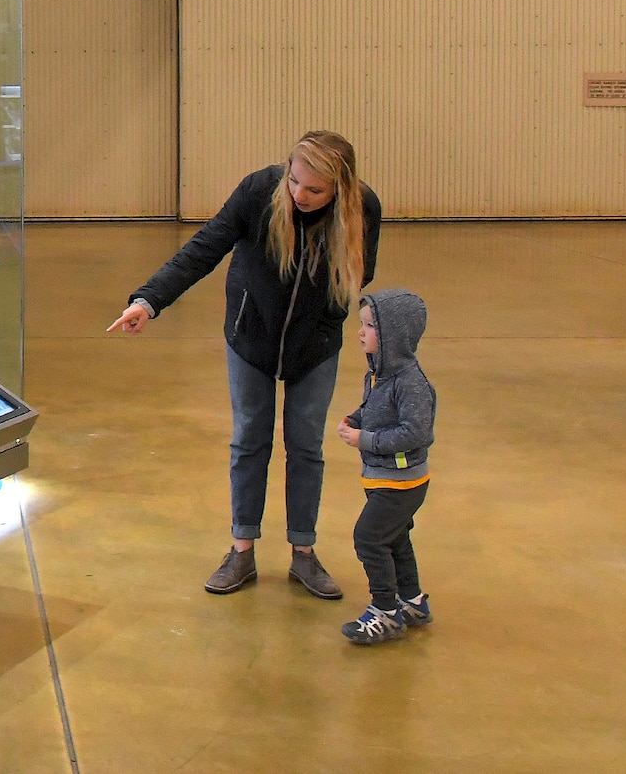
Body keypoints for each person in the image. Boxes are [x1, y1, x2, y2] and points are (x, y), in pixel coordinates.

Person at [107, 130, 381, 599]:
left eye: (315, 190)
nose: (300, 195)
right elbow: (205, 247)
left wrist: (329, 319)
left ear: (341, 187)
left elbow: (362, 271)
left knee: (306, 446)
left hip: (314, 347)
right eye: (295, 182)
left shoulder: (364, 209)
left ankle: (304, 554)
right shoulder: (259, 191)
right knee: (249, 439)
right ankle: (241, 549)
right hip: (249, 338)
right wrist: (148, 301)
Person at [335, 289, 437, 645]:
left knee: (369, 537)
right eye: (361, 325)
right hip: (384, 479)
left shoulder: (411, 383)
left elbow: (414, 431)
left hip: (402, 483)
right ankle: (412, 601)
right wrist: (356, 418)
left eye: (369, 326)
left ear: (394, 335)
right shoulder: (380, 374)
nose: (361, 333)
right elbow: (375, 409)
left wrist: (365, 440)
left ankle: (385, 611)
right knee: (394, 538)